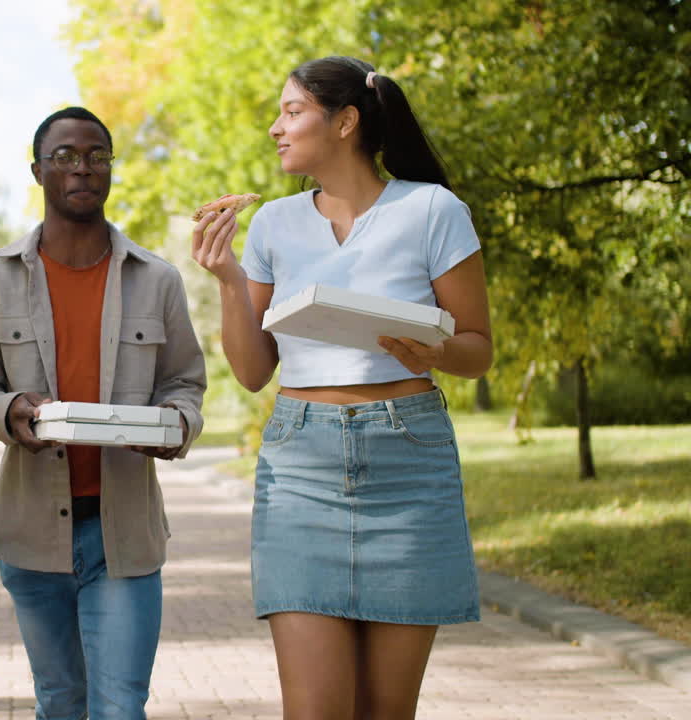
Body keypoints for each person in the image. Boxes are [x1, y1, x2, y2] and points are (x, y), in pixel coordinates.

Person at [191, 56, 493, 720]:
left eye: (292, 111)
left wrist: (434, 349)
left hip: (408, 464)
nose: (276, 127)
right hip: (301, 468)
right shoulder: (273, 223)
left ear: (347, 121)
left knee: (386, 712)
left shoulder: (432, 210)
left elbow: (477, 350)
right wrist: (229, 280)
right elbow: (251, 372)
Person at [0, 106, 207, 720]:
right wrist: (9, 409)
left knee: (120, 707)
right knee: (60, 702)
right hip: (30, 533)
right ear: (39, 170)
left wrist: (175, 425)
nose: (83, 168)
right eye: (66, 156)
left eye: (98, 156)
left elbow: (185, 384)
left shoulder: (158, 280)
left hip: (123, 532)